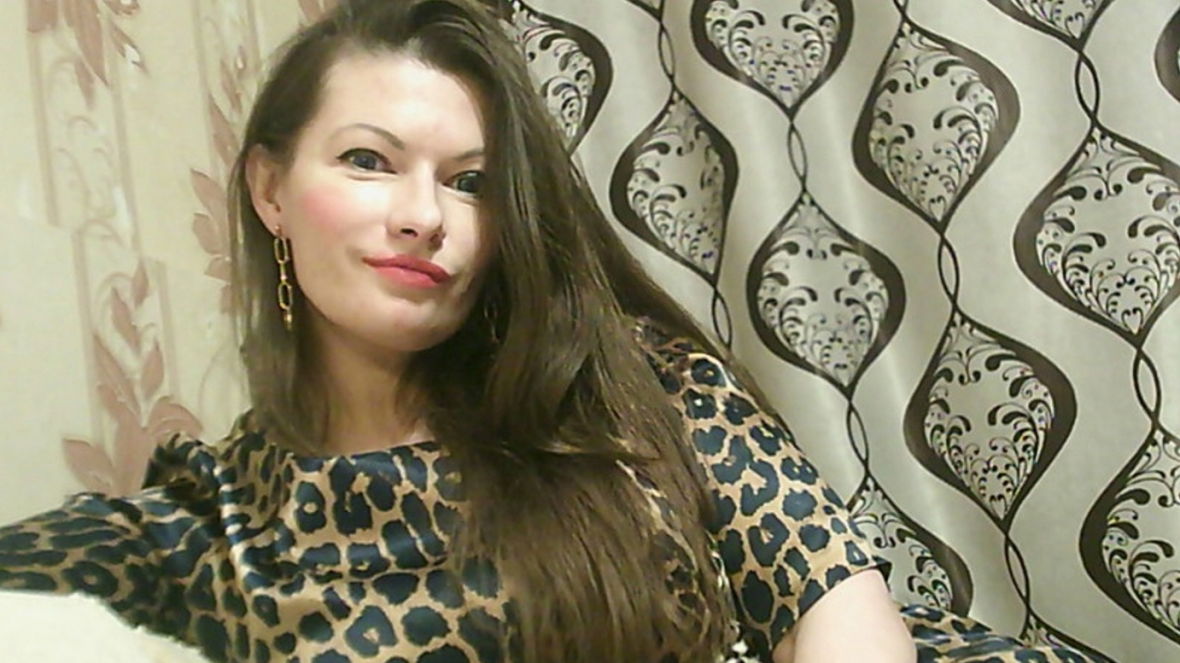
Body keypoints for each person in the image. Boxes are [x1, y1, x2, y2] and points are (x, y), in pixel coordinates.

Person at [0, 1, 1102, 662]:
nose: (424, 215)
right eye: (369, 161)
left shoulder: (630, 392)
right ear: (269, 189)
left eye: (470, 181)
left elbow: (837, 612)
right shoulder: (212, 520)